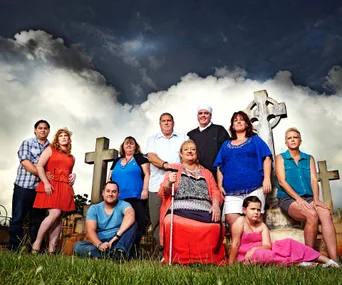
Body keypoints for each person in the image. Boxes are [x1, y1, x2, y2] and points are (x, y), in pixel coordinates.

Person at [275, 127, 339, 261]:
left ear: (300, 140)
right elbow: (282, 181)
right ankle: (309, 259)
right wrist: (298, 199)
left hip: (309, 197)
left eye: (295, 137)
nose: (292, 140)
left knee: (326, 214)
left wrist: (316, 199)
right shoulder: (280, 158)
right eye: (289, 138)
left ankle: (335, 260)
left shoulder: (309, 158)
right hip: (288, 198)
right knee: (312, 214)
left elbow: (314, 179)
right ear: (286, 143)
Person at [159, 140, 225, 265]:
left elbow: (215, 191)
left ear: (197, 154)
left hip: (204, 208)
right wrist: (168, 182)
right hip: (180, 207)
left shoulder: (207, 173)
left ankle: (206, 259)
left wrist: (216, 205)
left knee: (215, 226)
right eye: (186, 149)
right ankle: (177, 259)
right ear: (181, 154)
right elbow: (164, 192)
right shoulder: (173, 170)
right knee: (170, 221)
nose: (190, 151)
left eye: (193, 149)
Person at [229, 196, 339, 267]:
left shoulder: (262, 226)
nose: (256, 212)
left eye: (258, 209)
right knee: (262, 254)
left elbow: (267, 245)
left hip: (261, 249)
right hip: (248, 256)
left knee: (289, 243)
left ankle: (328, 261)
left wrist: (255, 248)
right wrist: (231, 266)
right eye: (252, 209)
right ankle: (299, 263)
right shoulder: (240, 222)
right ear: (244, 210)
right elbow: (235, 244)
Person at [214, 111, 272, 230]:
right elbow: (220, 165)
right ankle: (243, 247)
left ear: (247, 124)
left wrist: (267, 179)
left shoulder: (255, 140)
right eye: (236, 120)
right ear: (232, 126)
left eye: (242, 119)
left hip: (254, 188)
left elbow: (267, 157)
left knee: (255, 221)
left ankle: (255, 247)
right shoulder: (225, 144)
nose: (239, 122)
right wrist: (220, 185)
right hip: (231, 192)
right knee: (232, 220)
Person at [146, 113, 188, 256]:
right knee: (157, 220)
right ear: (160, 123)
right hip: (156, 184)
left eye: (169, 120)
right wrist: (165, 165)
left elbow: (188, 155)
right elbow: (151, 157)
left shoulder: (183, 138)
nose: (166, 123)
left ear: (173, 122)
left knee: (176, 218)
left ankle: (177, 252)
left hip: (177, 185)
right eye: (163, 121)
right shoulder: (152, 139)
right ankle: (163, 252)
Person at [31, 128, 76, 254]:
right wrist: (45, 182)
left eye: (66, 136)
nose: (63, 137)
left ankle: (51, 250)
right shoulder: (50, 149)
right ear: (57, 138)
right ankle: (37, 243)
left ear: (69, 139)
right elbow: (40, 166)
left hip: (65, 187)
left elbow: (68, 172)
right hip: (51, 185)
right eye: (60, 135)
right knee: (54, 213)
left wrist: (74, 176)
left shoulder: (72, 158)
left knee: (58, 218)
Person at [8, 120, 50, 252]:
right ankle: (14, 248)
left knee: (37, 221)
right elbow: (25, 162)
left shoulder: (51, 148)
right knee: (18, 218)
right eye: (40, 128)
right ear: (35, 130)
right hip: (24, 186)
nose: (42, 130)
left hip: (40, 190)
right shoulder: (27, 143)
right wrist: (43, 174)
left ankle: (34, 249)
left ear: (48, 131)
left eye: (45, 128)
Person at [73, 181, 136, 260]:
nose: (110, 194)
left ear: (118, 194)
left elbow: (130, 215)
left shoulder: (123, 204)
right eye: (108, 191)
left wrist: (115, 238)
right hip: (100, 241)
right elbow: (90, 231)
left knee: (132, 224)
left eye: (114, 192)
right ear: (103, 193)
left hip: (118, 240)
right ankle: (111, 255)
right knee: (78, 247)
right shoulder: (94, 208)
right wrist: (100, 245)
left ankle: (118, 252)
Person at [108, 136, 149, 254]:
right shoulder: (116, 161)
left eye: (132, 144)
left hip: (136, 196)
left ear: (136, 146)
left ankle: (133, 251)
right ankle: (116, 248)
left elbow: (147, 174)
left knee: (137, 224)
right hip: (118, 198)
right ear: (123, 146)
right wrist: (107, 190)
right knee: (119, 224)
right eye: (127, 143)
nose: (129, 145)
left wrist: (145, 190)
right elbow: (109, 177)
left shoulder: (140, 158)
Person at [187, 104, 229, 177]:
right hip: (197, 175)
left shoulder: (219, 130)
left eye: (206, 113)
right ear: (197, 117)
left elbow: (226, 152)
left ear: (211, 116)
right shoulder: (191, 134)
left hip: (217, 174)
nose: (203, 115)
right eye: (200, 113)